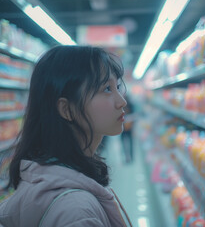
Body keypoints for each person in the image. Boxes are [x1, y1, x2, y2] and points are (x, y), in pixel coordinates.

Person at [0, 45, 133, 227]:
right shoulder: (76, 213)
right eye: (107, 89)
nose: (122, 101)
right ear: (67, 109)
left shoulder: (42, 176)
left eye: (117, 86)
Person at [121, 95, 135, 163]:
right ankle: (127, 156)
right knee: (124, 142)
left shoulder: (130, 105)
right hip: (123, 128)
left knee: (130, 143)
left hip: (129, 127)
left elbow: (134, 115)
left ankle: (131, 156)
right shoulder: (121, 106)